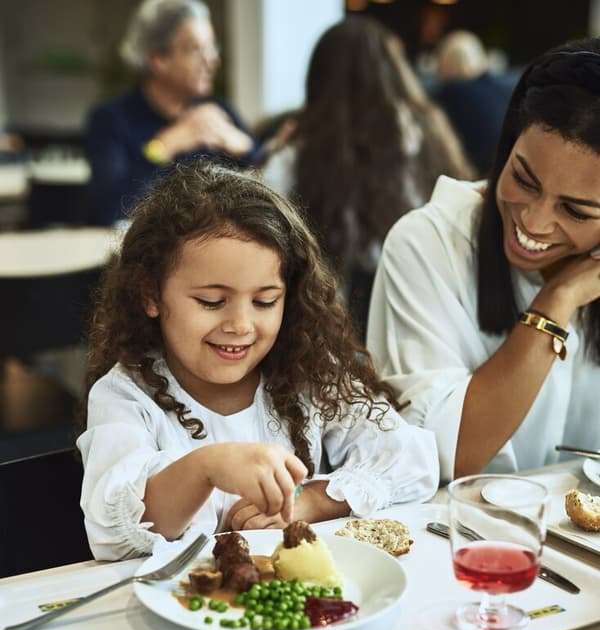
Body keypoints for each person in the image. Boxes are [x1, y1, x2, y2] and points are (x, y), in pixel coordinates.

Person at [77, 162, 439, 560]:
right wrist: (206, 467)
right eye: (211, 302)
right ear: (151, 295)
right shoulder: (125, 397)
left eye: (265, 302)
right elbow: (115, 533)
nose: (240, 325)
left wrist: (311, 503)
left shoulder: (304, 370)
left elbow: (411, 458)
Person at [367, 37, 600, 484]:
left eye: (574, 210)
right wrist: (559, 298)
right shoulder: (427, 244)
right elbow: (452, 456)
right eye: (523, 180)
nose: (534, 221)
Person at [260, 16, 473, 342]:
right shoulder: (427, 137)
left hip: (326, 329)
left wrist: (272, 148)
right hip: (426, 315)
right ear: (393, 72)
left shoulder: (299, 155)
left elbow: (260, 219)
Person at [85, 0, 258, 226]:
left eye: (211, 47)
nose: (212, 60)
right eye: (195, 49)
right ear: (158, 60)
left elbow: (266, 190)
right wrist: (163, 147)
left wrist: (244, 148)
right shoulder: (111, 120)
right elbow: (110, 209)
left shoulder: (219, 114)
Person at [432, 30, 515, 176]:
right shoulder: (504, 87)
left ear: (444, 62)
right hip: (509, 168)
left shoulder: (449, 93)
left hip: (479, 175)